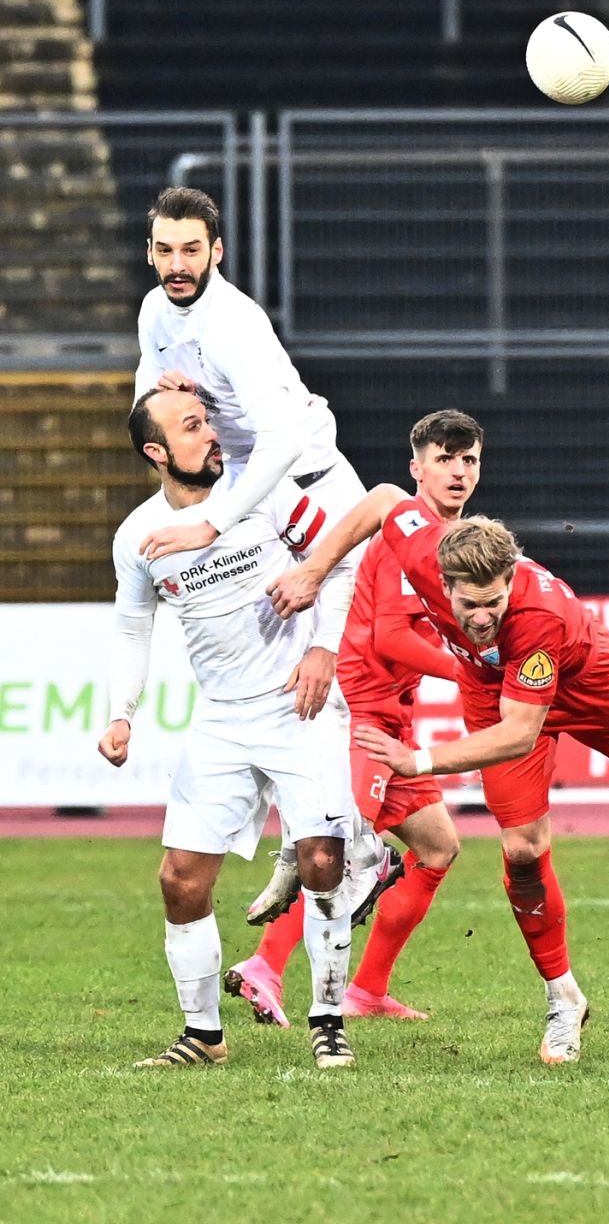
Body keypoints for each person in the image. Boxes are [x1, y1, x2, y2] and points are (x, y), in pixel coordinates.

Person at [267, 478, 609, 1065]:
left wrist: (421, 761)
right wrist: (314, 569)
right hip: (495, 692)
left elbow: (520, 734)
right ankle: (563, 997)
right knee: (522, 850)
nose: (484, 616)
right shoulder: (423, 551)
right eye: (471, 605)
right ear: (443, 585)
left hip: (587, 680)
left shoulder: (535, 619)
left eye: (496, 600)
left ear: (511, 581)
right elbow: (386, 498)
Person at [132, 185, 391, 922]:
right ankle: (305, 844)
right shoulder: (156, 311)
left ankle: (359, 851)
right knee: (271, 675)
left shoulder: (236, 325)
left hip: (306, 481)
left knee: (326, 669)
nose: (177, 264)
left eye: (191, 249)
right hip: (248, 486)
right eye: (164, 249)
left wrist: (213, 523)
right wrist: (159, 389)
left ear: (217, 251)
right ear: (149, 250)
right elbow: (144, 398)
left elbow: (278, 441)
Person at [101, 387, 363, 1068]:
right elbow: (133, 629)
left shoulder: (263, 491)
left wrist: (322, 647)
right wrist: (119, 715)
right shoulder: (138, 537)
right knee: (180, 879)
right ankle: (204, 1036)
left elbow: (340, 560)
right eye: (192, 427)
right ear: (157, 452)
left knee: (321, 859)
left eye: (207, 421)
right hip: (221, 719)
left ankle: (328, 1016)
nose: (210, 434)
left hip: (300, 707)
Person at [224, 410, 483, 1028]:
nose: (458, 471)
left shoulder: (453, 538)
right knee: (336, 851)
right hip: (361, 711)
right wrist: (471, 671)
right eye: (444, 459)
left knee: (438, 848)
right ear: (416, 468)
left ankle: (367, 990)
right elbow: (392, 636)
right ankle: (265, 966)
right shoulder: (408, 533)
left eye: (468, 459)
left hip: (393, 718)